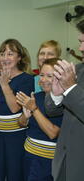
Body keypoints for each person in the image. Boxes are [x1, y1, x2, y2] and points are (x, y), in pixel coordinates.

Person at [0, 39, 34, 181]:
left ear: (19, 58)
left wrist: (4, 85)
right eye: (2, 54)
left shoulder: (27, 79)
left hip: (15, 135)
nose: (5, 58)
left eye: (10, 54)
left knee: (15, 174)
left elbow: (15, 108)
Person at [44, 20, 84, 181]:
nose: (80, 48)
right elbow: (52, 111)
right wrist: (57, 94)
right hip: (64, 159)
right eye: (81, 42)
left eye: (83, 43)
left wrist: (70, 89)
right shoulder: (78, 70)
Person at [16, 58, 62, 181]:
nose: (43, 79)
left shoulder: (64, 102)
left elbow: (53, 133)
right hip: (28, 155)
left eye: (49, 76)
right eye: (41, 75)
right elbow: (20, 124)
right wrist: (25, 117)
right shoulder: (35, 97)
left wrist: (35, 110)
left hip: (48, 161)